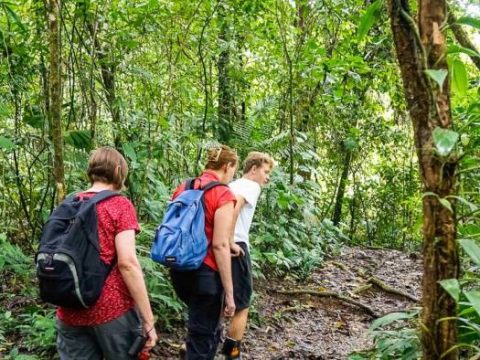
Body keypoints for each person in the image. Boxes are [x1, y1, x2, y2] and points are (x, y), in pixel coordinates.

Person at [56, 146, 158, 360]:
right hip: (111, 309)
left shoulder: (69, 203)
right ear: (119, 170)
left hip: (69, 307)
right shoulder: (119, 204)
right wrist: (148, 320)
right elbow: (127, 263)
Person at [170, 145, 238, 360]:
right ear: (227, 166)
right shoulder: (222, 193)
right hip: (205, 275)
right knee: (202, 339)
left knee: (204, 330)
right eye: (233, 169)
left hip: (179, 270)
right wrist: (229, 293)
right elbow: (219, 245)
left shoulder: (184, 187)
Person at [222, 152, 275, 360]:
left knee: (219, 300)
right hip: (236, 247)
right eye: (266, 171)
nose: (267, 177)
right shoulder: (250, 186)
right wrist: (230, 240)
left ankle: (196, 343)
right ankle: (232, 354)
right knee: (242, 305)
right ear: (254, 169)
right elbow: (235, 206)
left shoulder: (231, 185)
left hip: (218, 245)